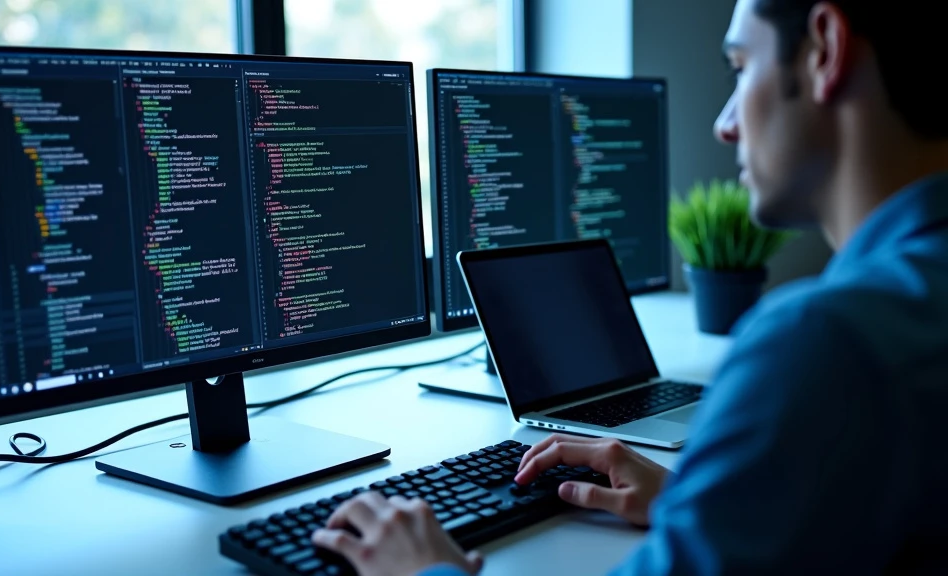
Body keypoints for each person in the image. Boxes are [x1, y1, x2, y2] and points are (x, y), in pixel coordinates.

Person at [311, 0, 948, 573]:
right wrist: (709, 503)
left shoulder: (826, 343)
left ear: (825, 50)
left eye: (738, 67)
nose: (726, 124)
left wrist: (424, 572)